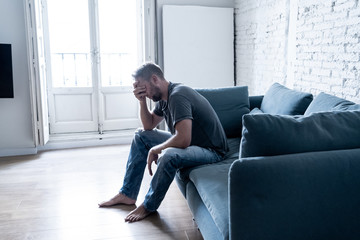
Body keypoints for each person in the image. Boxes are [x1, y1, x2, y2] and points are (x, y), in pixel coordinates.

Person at [98, 62, 228, 222]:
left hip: (212, 151)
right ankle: (127, 194)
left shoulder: (178, 96)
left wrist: (155, 150)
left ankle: (148, 206)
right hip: (194, 143)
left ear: (154, 79)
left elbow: (184, 139)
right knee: (140, 135)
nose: (143, 93)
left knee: (169, 155)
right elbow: (148, 125)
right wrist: (141, 101)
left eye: (144, 88)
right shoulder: (164, 98)